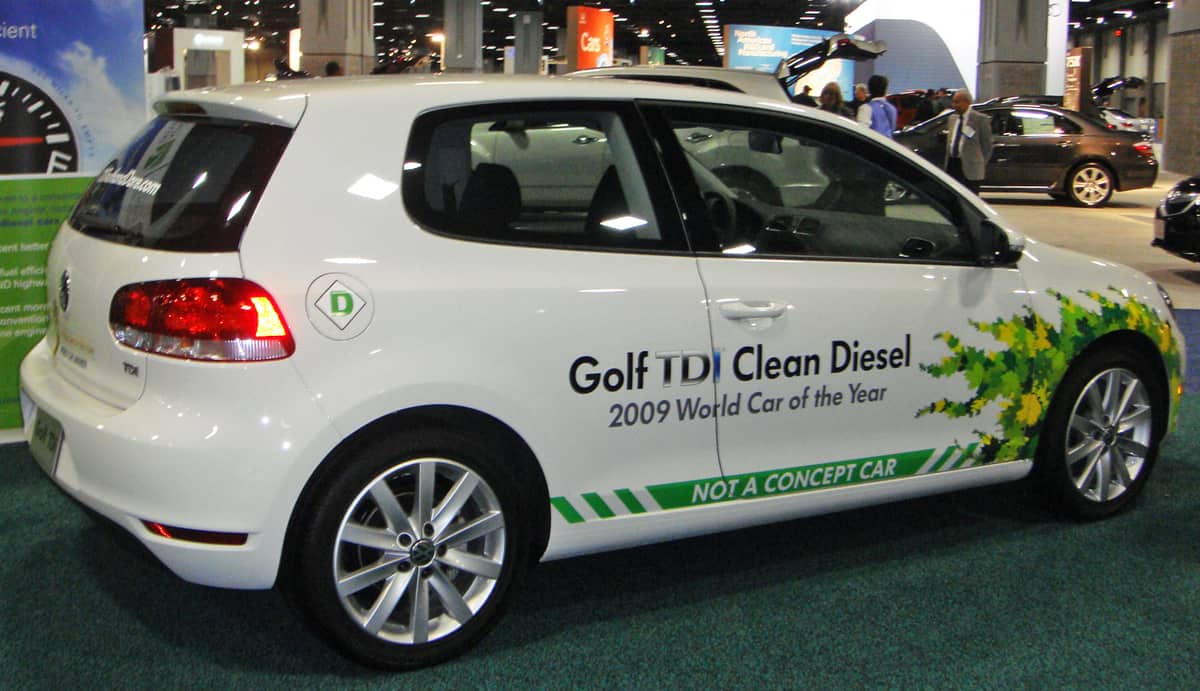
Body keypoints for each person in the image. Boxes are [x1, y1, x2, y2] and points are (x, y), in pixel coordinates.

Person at [943, 88, 993, 195]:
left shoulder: (980, 119)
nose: (954, 105)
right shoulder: (952, 119)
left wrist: (980, 163)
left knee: (970, 199)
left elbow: (987, 145)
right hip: (953, 164)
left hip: (971, 168)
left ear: (967, 102)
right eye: (953, 102)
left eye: (957, 102)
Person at [857, 74, 898, 138]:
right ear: (885, 90)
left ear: (869, 89)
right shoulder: (893, 109)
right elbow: (892, 129)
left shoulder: (865, 108)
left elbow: (861, 133)